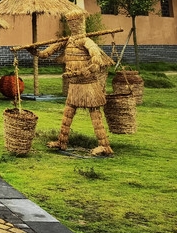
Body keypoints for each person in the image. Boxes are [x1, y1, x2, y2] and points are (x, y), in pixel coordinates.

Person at [30, 10, 114, 156]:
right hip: (74, 85)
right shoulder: (67, 41)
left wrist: (89, 69)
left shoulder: (85, 41)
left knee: (95, 115)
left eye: (76, 23)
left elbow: (97, 58)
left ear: (81, 23)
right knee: (67, 114)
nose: (73, 25)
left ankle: (104, 146)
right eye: (71, 23)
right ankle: (61, 141)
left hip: (88, 85)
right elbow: (46, 53)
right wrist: (34, 51)